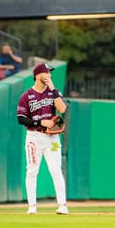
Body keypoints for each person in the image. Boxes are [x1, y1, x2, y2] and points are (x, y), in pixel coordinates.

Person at [16, 63, 69, 215]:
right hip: (34, 137)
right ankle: (32, 207)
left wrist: (53, 89)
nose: (49, 75)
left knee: (56, 171)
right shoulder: (26, 96)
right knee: (32, 171)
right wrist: (39, 122)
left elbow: (63, 109)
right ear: (38, 75)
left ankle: (62, 205)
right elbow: (21, 119)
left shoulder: (53, 92)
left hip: (52, 138)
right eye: (47, 72)